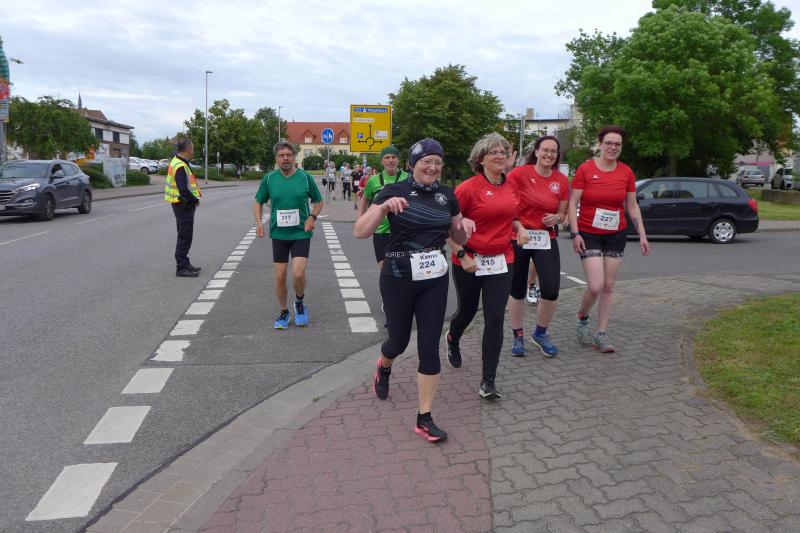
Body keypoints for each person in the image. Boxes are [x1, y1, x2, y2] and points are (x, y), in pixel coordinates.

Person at [354, 138, 475, 443]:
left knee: (429, 347)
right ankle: (384, 366)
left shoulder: (447, 196)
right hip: (398, 277)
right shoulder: (394, 190)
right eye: (426, 162)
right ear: (412, 164)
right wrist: (383, 207)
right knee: (398, 341)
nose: (433, 167)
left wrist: (465, 228)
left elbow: (457, 234)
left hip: (434, 278)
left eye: (438, 162)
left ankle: (424, 417)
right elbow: (360, 231)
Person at [445, 133, 518, 400]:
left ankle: (488, 380)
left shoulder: (512, 185)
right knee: (467, 311)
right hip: (470, 260)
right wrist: (462, 255)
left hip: (502, 259)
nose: (500, 155)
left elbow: (513, 216)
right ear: (480, 159)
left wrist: (521, 229)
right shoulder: (467, 189)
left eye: (503, 151)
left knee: (495, 317)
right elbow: (446, 228)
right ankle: (453, 337)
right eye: (493, 152)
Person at [568, 125, 650, 353]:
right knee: (595, 286)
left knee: (608, 286)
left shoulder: (626, 172)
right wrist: (575, 233)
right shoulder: (585, 169)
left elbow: (632, 206)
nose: (613, 147)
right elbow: (573, 203)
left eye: (617, 144)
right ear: (600, 144)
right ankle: (583, 316)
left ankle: (601, 333)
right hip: (589, 233)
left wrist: (642, 235)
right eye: (608, 143)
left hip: (616, 234)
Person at [507, 135, 569, 357]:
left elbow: (562, 213)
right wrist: (506, 168)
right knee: (516, 289)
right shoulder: (519, 173)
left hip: (545, 237)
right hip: (519, 235)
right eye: (545, 150)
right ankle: (518, 336)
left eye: (553, 151)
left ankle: (540, 334)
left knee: (551, 289)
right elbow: (503, 191)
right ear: (536, 151)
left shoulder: (561, 180)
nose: (549, 154)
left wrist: (557, 218)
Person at [253, 141, 324, 329]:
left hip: (301, 232)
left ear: (294, 157)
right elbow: (258, 201)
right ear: (276, 159)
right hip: (279, 234)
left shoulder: (305, 177)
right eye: (281, 155)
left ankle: (299, 302)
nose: (285, 158)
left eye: (288, 155)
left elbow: (318, 201)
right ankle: (284, 311)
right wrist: (259, 222)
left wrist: (312, 217)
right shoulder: (269, 179)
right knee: (280, 276)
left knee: (298, 274)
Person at [358, 146, 408, 268]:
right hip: (381, 231)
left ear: (398, 160)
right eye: (387, 157)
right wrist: (361, 220)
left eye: (393, 157)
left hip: (404, 230)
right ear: (381, 161)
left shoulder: (408, 178)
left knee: (404, 267)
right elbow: (364, 199)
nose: (390, 160)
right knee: (385, 267)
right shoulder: (373, 181)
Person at [164, 137, 202, 277]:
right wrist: (194, 200)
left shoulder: (179, 162)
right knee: (184, 236)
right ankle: (181, 267)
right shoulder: (180, 165)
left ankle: (185, 263)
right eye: (192, 147)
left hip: (181, 203)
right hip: (183, 204)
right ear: (188, 149)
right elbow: (183, 189)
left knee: (184, 234)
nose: (194, 150)